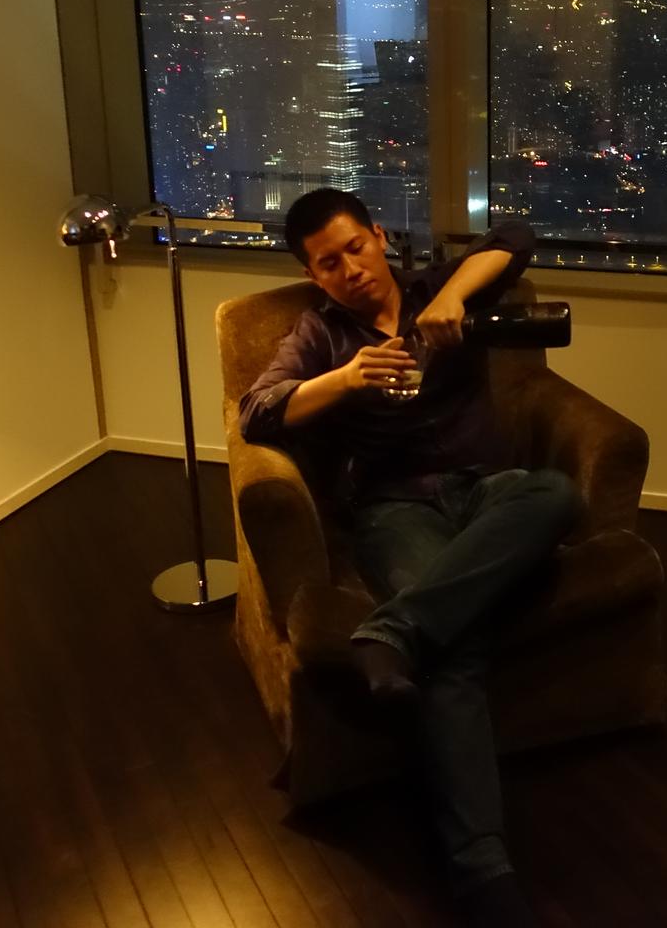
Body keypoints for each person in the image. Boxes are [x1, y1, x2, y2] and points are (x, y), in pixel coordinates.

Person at [237, 188, 576, 927]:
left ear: (379, 236)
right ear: (315, 275)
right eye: (328, 263)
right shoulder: (319, 333)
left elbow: (517, 235)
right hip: (396, 508)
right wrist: (346, 380)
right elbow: (257, 411)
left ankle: (393, 629)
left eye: (356, 247)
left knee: (553, 495)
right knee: (452, 653)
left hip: (490, 490)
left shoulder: (431, 290)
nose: (350, 269)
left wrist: (452, 295)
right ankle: (484, 873)